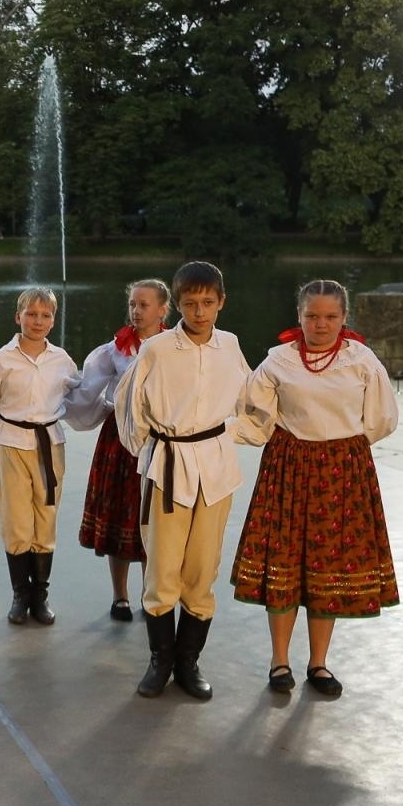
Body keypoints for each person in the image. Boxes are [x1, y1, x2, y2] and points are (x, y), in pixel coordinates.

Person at [231, 279, 399, 697]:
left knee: (329, 565)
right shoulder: (277, 361)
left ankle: (319, 663)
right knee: (284, 562)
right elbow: (253, 415)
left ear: (344, 318)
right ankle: (279, 660)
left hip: (342, 471)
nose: (320, 325)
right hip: (288, 467)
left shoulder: (361, 361)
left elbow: (381, 418)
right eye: (312, 316)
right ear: (299, 317)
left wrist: (341, 448)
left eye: (329, 317)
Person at [114, 261, 251, 701]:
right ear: (178, 304)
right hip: (167, 465)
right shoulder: (156, 349)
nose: (200, 312)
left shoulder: (230, 346)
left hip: (214, 465)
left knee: (202, 567)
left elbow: (251, 397)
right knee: (162, 566)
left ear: (222, 303)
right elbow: (128, 402)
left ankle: (189, 662)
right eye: (191, 304)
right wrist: (145, 450)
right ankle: (160, 660)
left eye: (208, 303)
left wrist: (239, 433)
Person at [0, 287, 79, 627]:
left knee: (46, 516)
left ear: (53, 320)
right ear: (18, 317)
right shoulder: (1, 359)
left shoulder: (61, 359)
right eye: (31, 314)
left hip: (49, 444)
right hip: (12, 443)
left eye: (45, 315)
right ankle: (20, 594)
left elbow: (77, 395)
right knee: (16, 520)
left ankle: (40, 595)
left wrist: (102, 412)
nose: (38, 321)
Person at [63, 279, 171, 622]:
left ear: (163, 309)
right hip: (121, 438)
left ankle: (149, 594)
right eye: (133, 305)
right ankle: (120, 595)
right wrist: (52, 400)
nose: (137, 311)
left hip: (161, 439)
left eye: (144, 305)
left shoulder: (175, 346)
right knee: (120, 514)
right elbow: (88, 391)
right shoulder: (116, 350)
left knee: (152, 518)